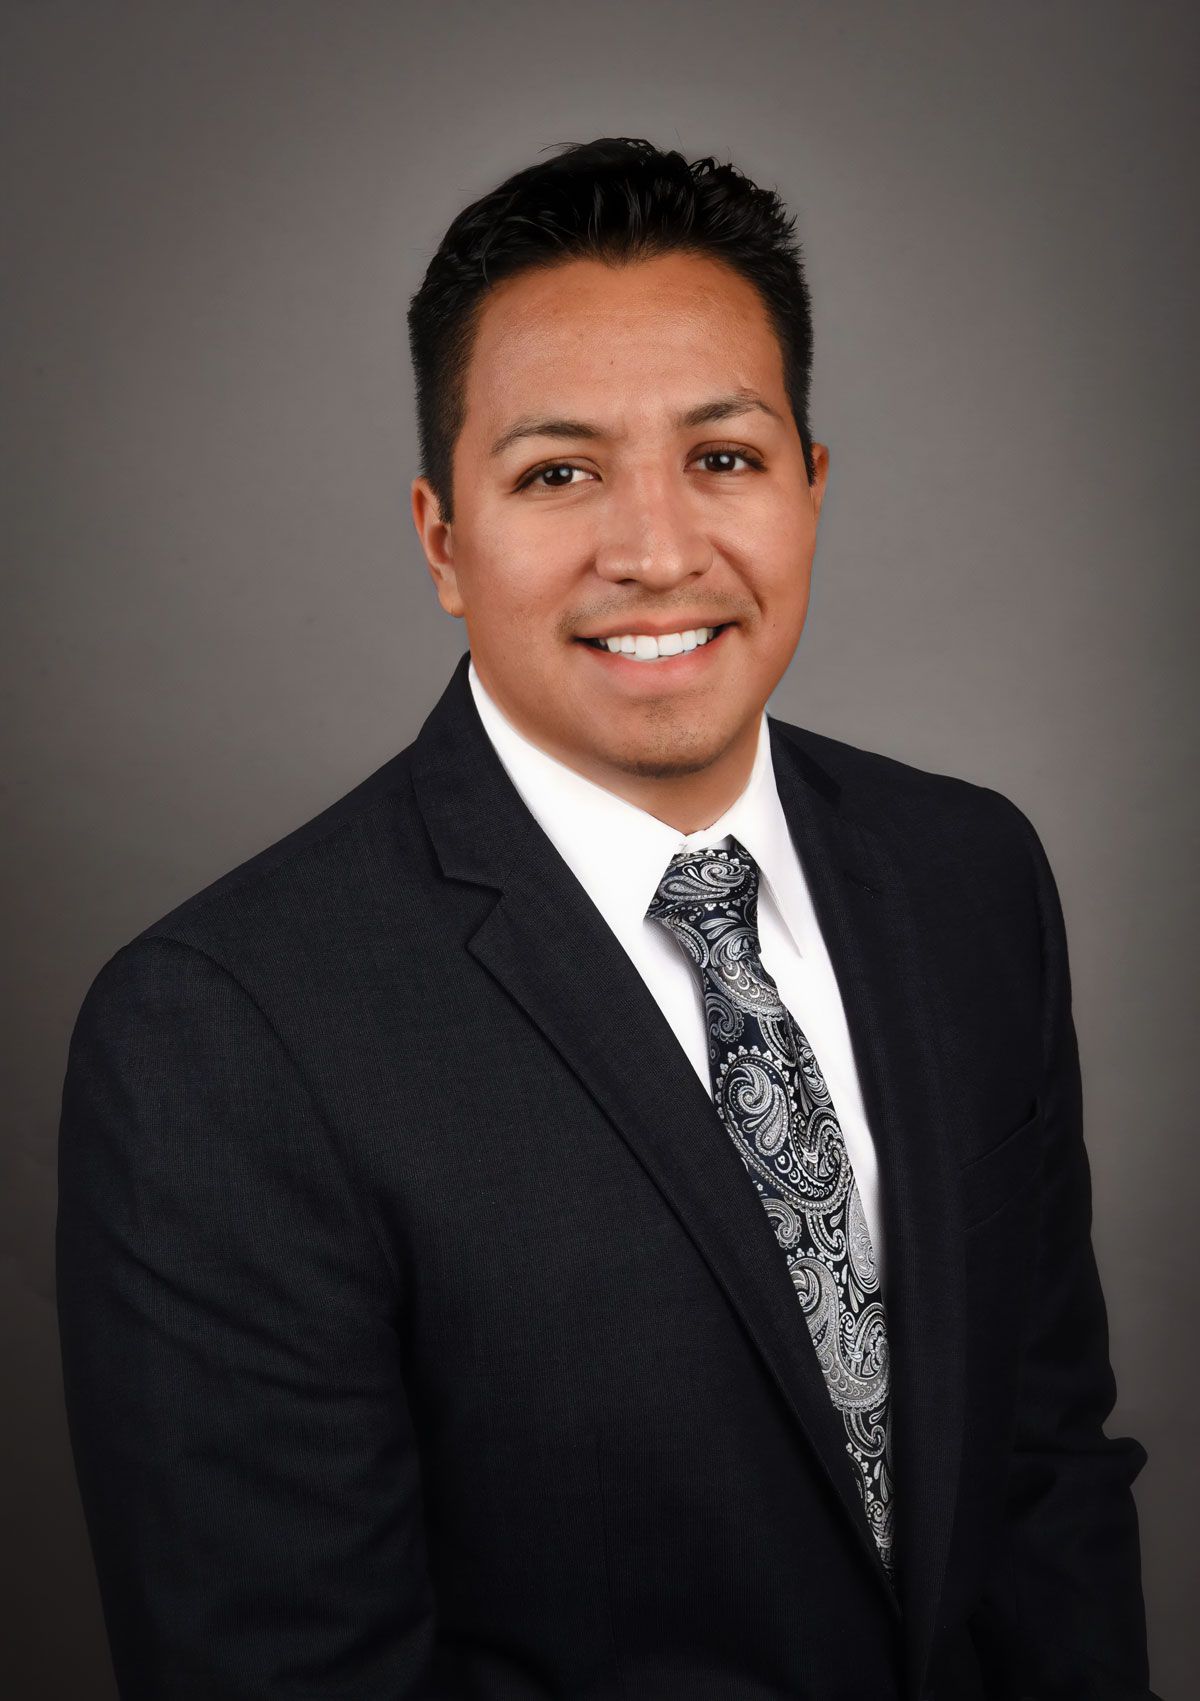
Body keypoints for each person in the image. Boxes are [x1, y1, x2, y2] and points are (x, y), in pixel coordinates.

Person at [56, 136, 1156, 1701]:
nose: (655, 551)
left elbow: (1045, 1473)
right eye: (558, 472)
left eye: (724, 457)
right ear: (444, 539)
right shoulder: (222, 1034)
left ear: (811, 486)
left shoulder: (969, 875)